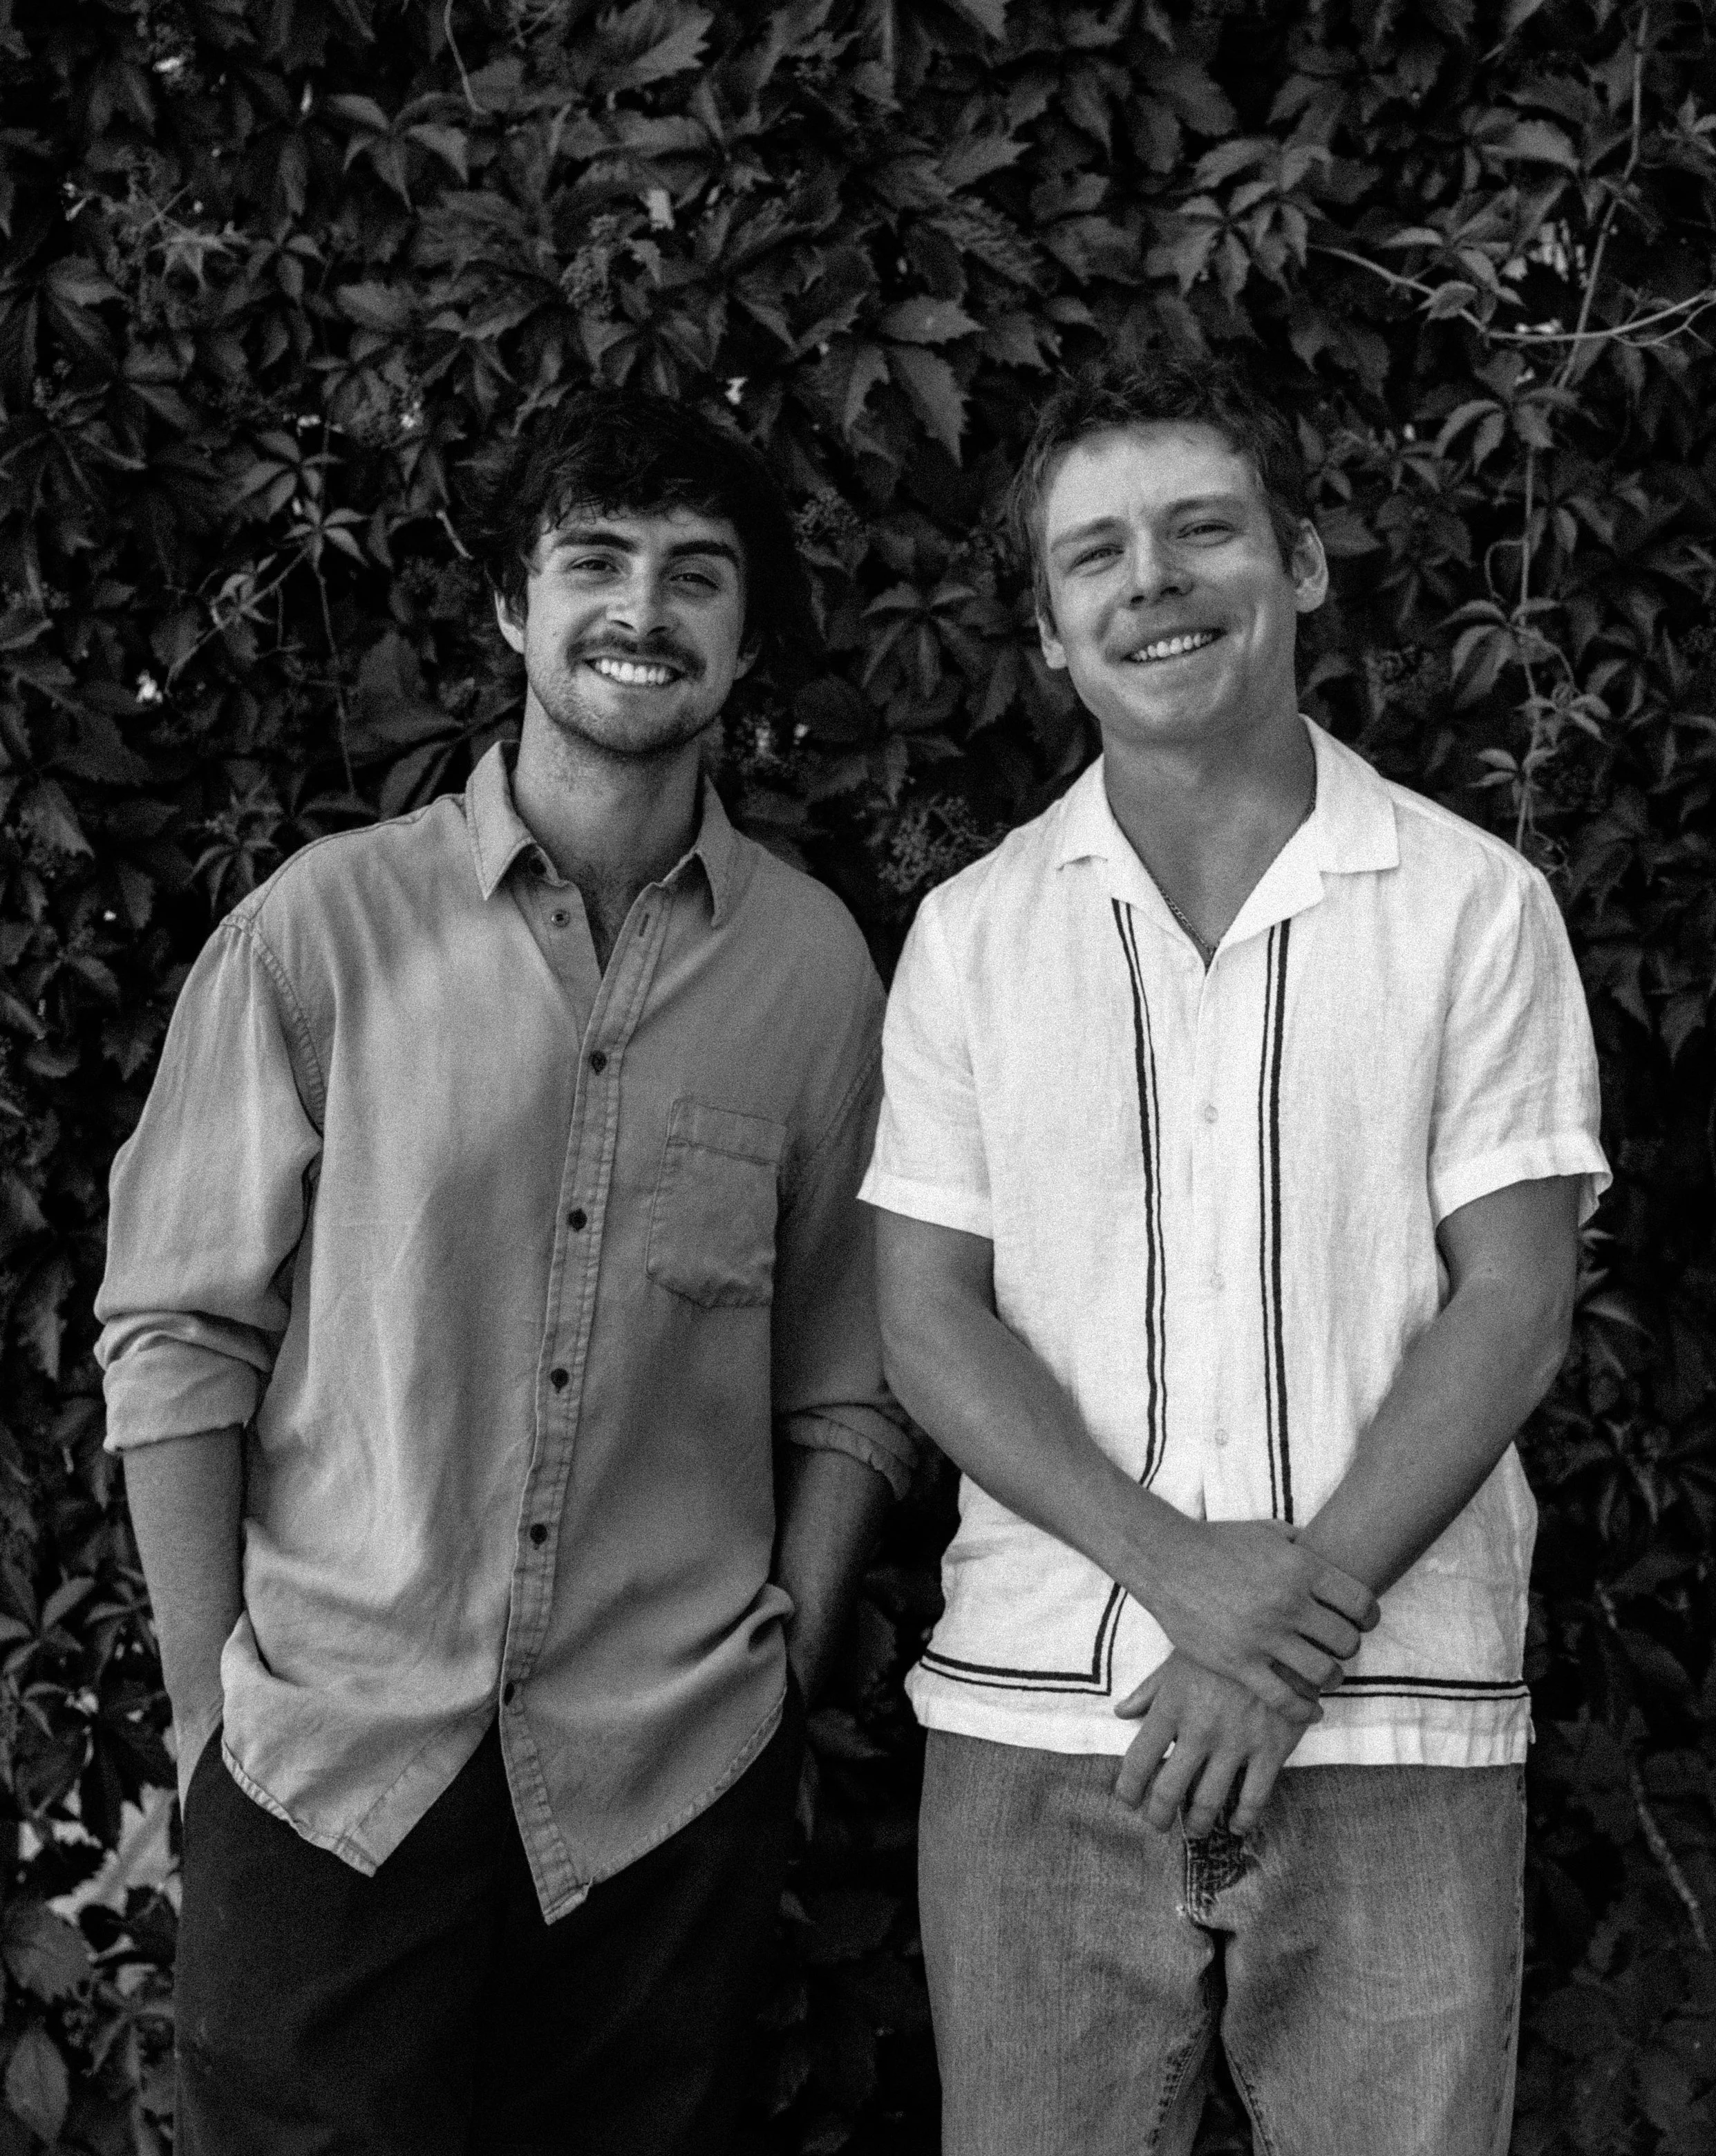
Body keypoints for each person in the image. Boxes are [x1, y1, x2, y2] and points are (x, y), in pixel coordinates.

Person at [95, 386, 914, 2155]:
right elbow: (177, 1334)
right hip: (328, 1768)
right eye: (593, 561)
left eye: (696, 573)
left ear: (745, 638)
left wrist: (772, 1685)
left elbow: (848, 1380)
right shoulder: (321, 928)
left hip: (664, 1783)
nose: (642, 610)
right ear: (507, 608)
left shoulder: (815, 974)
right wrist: (206, 1727)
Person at [863, 351, 1610, 2155]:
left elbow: (1515, 1303)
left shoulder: (1471, 905)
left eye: (1202, 531)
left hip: (1396, 1735)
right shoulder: (969, 937)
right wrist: (1181, 1578)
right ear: (1050, 635)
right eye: (1095, 555)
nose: (1153, 582)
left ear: (1302, 567)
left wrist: (1274, 1634)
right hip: (1040, 1720)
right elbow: (924, 1322)